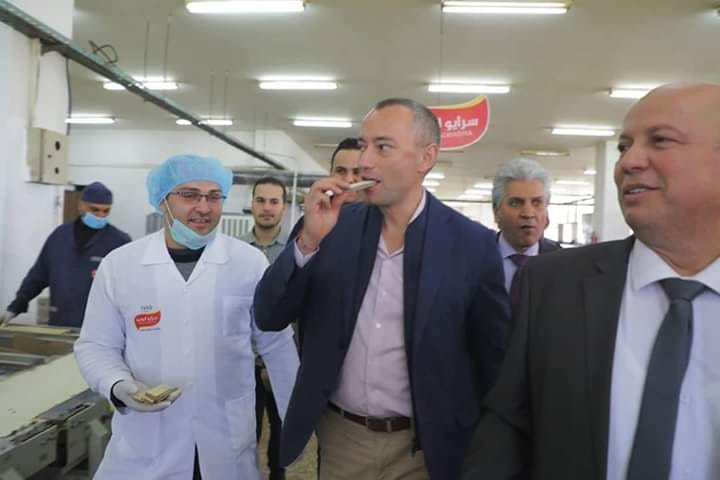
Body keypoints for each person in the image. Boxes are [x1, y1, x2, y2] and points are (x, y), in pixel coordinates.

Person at [463, 83, 720, 480]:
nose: (629, 161)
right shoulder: (552, 286)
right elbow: (507, 429)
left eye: (660, 140)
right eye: (624, 146)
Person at [254, 98, 510, 480]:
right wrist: (307, 243)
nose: (365, 161)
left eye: (382, 147)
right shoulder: (331, 227)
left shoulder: (472, 246)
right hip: (343, 439)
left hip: (427, 447)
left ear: (426, 157)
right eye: (363, 145)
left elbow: (492, 362)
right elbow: (268, 315)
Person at [74, 155, 299, 479]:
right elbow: (96, 345)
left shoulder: (249, 263)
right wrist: (117, 384)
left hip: (226, 440)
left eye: (214, 196)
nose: (203, 207)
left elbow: (277, 346)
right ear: (163, 200)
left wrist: (296, 422)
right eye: (189, 195)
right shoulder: (121, 266)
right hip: (147, 445)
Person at [0, 182, 130, 328]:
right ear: (81, 205)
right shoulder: (60, 237)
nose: (100, 215)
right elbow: (38, 276)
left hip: (100, 329)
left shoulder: (119, 242)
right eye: (95, 210)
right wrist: (15, 307)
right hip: (60, 324)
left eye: (106, 211)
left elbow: (130, 289)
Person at [240, 176, 288, 480]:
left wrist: (280, 361)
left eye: (274, 201)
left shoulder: (297, 251)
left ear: (284, 207)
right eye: (261, 200)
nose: (267, 208)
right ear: (252, 204)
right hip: (243, 363)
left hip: (282, 362)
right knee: (246, 435)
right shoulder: (234, 251)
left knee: (282, 438)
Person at [492, 158, 561, 292]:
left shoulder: (563, 262)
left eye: (537, 202)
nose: (528, 213)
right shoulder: (474, 259)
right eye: (516, 203)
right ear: (496, 212)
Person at [330, 137, 364, 202]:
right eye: (341, 171)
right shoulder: (317, 207)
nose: (349, 179)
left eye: (357, 172)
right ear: (331, 174)